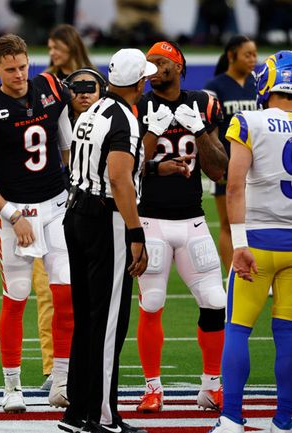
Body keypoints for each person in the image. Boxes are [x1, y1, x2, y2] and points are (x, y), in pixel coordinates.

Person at [0, 33, 74, 413]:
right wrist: (12, 214)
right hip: (16, 210)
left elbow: (65, 145)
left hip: (57, 205)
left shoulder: (50, 88)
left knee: (65, 294)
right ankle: (12, 386)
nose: (19, 75)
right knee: (17, 296)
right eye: (10, 69)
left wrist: (73, 186)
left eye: (23, 67)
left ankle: (61, 380)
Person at [59, 48, 153, 433]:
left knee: (88, 319)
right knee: (109, 321)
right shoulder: (125, 119)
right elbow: (119, 178)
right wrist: (135, 232)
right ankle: (101, 416)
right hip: (104, 218)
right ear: (139, 82)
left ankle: (77, 411)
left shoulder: (93, 110)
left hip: (77, 211)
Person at [134, 41, 229, 413]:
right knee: (152, 302)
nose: (153, 69)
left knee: (215, 301)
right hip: (150, 218)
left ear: (178, 65)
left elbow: (219, 169)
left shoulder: (203, 103)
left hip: (192, 219)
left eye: (159, 62)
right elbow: (125, 168)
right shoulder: (138, 106)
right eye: (148, 64)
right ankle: (153, 388)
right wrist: (153, 144)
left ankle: (210, 385)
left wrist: (201, 129)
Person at [209, 50, 292, 433]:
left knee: (238, 329)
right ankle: (285, 420)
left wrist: (238, 241)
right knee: (289, 333)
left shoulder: (249, 121)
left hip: (256, 239)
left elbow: (234, 185)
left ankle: (231, 418)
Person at [37, 67, 107, 391]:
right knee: (54, 293)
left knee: (91, 296)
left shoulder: (111, 122)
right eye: (75, 87)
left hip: (96, 215)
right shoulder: (55, 116)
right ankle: (59, 371)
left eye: (88, 87)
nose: (82, 92)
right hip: (60, 212)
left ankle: (86, 368)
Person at [204, 35, 258, 274]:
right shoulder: (215, 87)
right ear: (231, 55)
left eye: (255, 54)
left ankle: (256, 270)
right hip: (228, 165)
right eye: (248, 54)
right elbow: (209, 128)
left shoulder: (258, 85)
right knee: (227, 223)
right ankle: (233, 274)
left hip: (256, 166)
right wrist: (219, 162)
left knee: (254, 223)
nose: (253, 59)